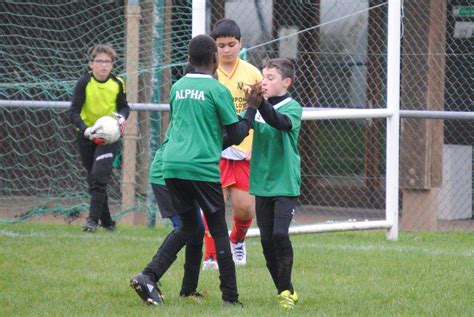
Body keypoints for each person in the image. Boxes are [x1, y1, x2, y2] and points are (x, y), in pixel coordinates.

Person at [129, 34, 262, 306]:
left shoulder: (177, 87)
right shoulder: (217, 90)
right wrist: (251, 109)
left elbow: (196, 132)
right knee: (218, 231)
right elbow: (236, 134)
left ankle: (149, 276)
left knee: (189, 226)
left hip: (172, 167)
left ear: (189, 59)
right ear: (214, 58)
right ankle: (231, 299)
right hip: (201, 169)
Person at [202, 18, 264, 269]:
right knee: (213, 206)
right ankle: (211, 256)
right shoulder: (208, 75)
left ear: (241, 44)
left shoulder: (252, 74)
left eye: (231, 44)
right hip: (215, 149)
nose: (226, 50)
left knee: (245, 208)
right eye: (221, 45)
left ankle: (237, 241)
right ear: (214, 47)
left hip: (244, 150)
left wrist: (255, 146)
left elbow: (261, 114)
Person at [250, 58, 302, 309]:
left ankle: (285, 292)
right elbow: (240, 127)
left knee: (280, 234)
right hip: (262, 183)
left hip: (284, 182)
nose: (265, 81)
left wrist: (260, 104)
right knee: (266, 242)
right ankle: (286, 290)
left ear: (286, 82)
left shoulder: (292, 107)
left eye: (271, 78)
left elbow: (278, 122)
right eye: (263, 77)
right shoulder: (259, 107)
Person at [69, 44, 129, 232]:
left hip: (108, 138)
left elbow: (124, 107)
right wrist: (86, 130)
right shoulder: (84, 82)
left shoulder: (118, 83)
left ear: (112, 65)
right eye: (99, 61)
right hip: (87, 137)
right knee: (94, 180)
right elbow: (73, 112)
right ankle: (108, 222)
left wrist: (122, 117)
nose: (103, 65)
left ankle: (92, 221)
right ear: (91, 64)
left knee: (99, 176)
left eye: (107, 62)